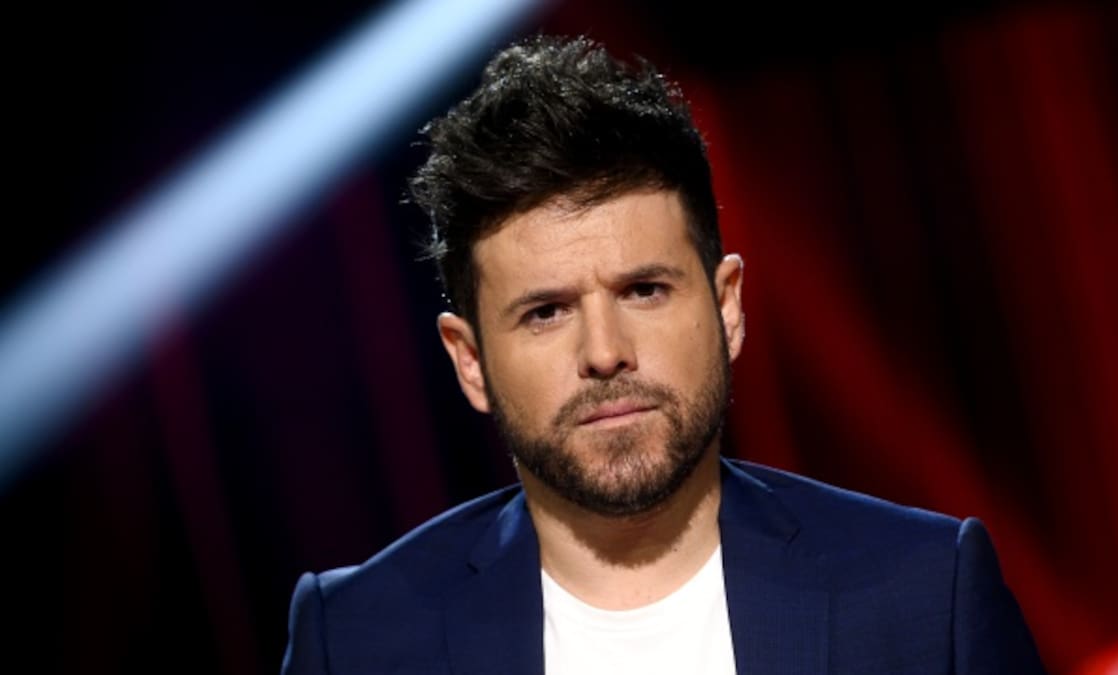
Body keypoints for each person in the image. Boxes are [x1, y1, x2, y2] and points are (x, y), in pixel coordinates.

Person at [281, 35, 1046, 674]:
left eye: (644, 290)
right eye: (546, 312)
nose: (605, 352)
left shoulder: (926, 596)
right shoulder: (356, 639)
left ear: (727, 306)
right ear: (470, 360)